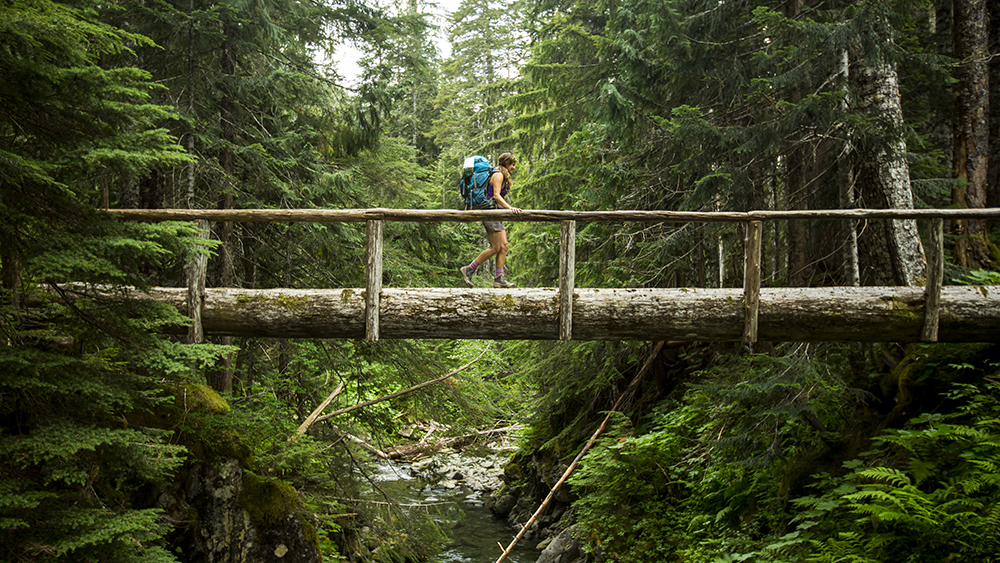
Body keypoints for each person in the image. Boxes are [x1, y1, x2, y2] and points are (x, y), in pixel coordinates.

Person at [460, 152, 522, 288]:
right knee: (495, 248)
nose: (514, 167)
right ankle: (469, 269)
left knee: (504, 246)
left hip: (496, 213)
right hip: (490, 213)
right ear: (506, 163)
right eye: (512, 164)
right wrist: (511, 208)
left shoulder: (499, 175)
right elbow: (496, 196)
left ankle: (499, 279)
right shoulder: (498, 175)